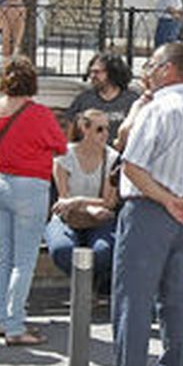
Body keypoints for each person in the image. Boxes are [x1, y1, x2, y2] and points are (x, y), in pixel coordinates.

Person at [98, 42, 183, 366]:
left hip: (150, 209)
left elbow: (132, 166)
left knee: (132, 303)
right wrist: (177, 200)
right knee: (175, 302)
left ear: (168, 69)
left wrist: (165, 200)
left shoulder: (159, 108)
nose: (145, 70)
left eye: (151, 64)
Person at [0, 57, 67, 345]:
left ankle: (1, 320)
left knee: (1, 255)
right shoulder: (39, 113)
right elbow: (59, 145)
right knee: (24, 261)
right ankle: (16, 326)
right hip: (30, 187)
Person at [45, 108, 119, 295]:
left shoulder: (111, 158)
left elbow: (109, 202)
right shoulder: (65, 156)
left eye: (107, 129)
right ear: (84, 129)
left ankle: (88, 287)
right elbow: (64, 200)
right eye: (99, 129)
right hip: (68, 217)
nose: (105, 134)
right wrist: (86, 205)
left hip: (98, 218)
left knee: (103, 252)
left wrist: (78, 201)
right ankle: (83, 288)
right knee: (62, 250)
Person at [63, 53, 138, 143]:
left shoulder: (132, 100)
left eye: (97, 72)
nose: (92, 76)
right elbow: (70, 130)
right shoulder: (84, 99)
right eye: (91, 72)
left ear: (112, 72)